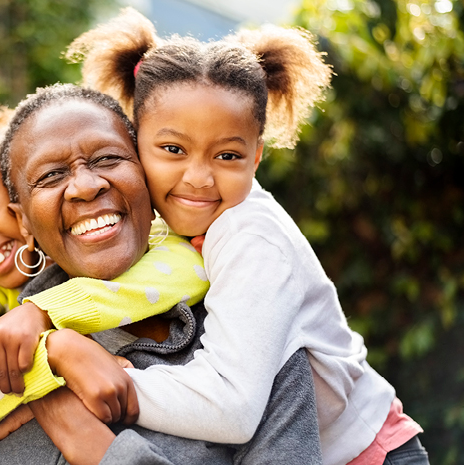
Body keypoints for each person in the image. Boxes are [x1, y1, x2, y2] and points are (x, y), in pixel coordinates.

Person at [65, 7, 429, 465]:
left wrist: (116, 382)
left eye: (228, 155)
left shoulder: (249, 237)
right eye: (173, 149)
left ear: (256, 157)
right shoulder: (164, 224)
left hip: (369, 455)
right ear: (135, 143)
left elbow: (233, 408)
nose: (198, 177)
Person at [0, 83, 323, 465]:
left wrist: (92, 443)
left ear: (148, 177)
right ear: (23, 221)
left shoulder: (252, 343)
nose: (85, 185)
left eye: (109, 158)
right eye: (52, 175)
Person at [0, 96, 210, 442]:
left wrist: (45, 314)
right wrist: (53, 365)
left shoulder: (126, 225)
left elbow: (191, 268)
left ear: (18, 189)